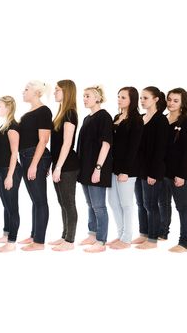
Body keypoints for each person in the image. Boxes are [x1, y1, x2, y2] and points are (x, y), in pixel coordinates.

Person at [77, 85, 113, 253]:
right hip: (85, 169)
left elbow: (106, 144)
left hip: (97, 168)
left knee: (99, 206)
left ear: (98, 98)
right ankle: (92, 234)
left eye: (88, 96)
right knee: (90, 204)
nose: (84, 98)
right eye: (83, 96)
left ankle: (101, 240)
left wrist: (98, 168)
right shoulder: (86, 118)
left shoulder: (104, 116)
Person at [159, 88, 187, 252]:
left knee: (182, 206)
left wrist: (180, 175)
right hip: (162, 172)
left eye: (175, 100)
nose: (171, 103)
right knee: (163, 204)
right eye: (169, 99)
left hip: (179, 174)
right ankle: (162, 233)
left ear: (183, 103)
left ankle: (185, 242)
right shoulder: (162, 120)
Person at [18, 81, 53, 251]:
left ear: (36, 92)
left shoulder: (44, 110)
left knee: (40, 200)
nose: (23, 91)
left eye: (26, 89)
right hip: (25, 156)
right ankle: (34, 235)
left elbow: (43, 140)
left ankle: (39, 242)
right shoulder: (28, 112)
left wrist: (34, 164)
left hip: (35, 157)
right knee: (35, 199)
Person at [107, 87, 143, 250]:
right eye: (118, 96)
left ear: (131, 100)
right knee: (113, 202)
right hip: (113, 167)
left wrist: (126, 171)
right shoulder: (116, 117)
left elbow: (134, 148)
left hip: (127, 169)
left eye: (123, 97)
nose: (119, 99)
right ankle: (121, 234)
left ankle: (127, 238)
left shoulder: (136, 120)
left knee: (126, 203)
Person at [133, 86, 169, 250]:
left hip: (152, 170)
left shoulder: (160, 120)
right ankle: (144, 233)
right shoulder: (140, 118)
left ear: (156, 99)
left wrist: (153, 173)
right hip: (138, 170)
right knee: (140, 204)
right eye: (141, 98)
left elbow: (160, 149)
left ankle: (153, 240)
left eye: (145, 98)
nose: (142, 101)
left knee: (151, 205)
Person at [49, 80, 80, 251]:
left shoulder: (70, 113)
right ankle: (64, 235)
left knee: (69, 203)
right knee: (62, 202)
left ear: (66, 92)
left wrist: (59, 167)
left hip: (67, 166)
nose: (54, 92)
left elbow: (67, 143)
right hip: (59, 164)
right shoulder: (61, 112)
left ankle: (70, 241)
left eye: (57, 90)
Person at [0, 96, 22, 253]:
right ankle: (6, 234)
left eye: (0, 106)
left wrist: (10, 175)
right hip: (1, 169)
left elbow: (14, 153)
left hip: (10, 171)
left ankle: (12, 241)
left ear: (8, 108)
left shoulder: (12, 127)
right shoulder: (3, 125)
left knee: (12, 206)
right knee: (6, 205)